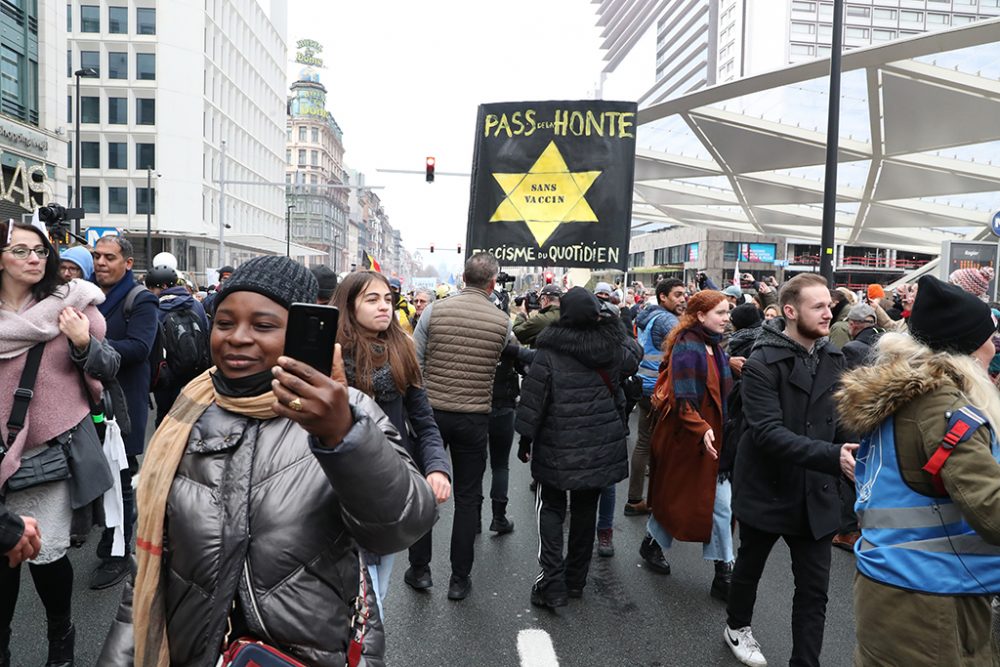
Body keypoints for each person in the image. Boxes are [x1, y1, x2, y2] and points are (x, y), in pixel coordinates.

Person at [98, 255, 436, 666]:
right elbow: (144, 577)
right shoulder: (186, 415)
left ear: (297, 335)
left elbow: (401, 525)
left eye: (263, 325)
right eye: (224, 323)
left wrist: (342, 434)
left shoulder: (344, 410)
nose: (238, 337)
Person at [836, 275, 1000, 666]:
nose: (995, 346)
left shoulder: (903, 394)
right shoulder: (945, 408)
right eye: (990, 337)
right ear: (968, 348)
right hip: (931, 601)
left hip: (894, 589)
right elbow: (992, 509)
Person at [724, 273, 859, 667]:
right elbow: (767, 433)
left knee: (815, 590)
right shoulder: (761, 363)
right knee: (749, 568)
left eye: (829, 304)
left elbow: (843, 422)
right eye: (818, 305)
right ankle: (737, 626)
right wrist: (833, 457)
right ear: (789, 311)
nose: (828, 311)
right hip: (768, 485)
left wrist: (859, 452)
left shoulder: (835, 357)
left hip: (815, 491)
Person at [0, 221, 119, 667]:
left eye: (40, 250)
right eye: (20, 250)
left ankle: (61, 640)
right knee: (3, 558)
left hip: (48, 456)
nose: (34, 258)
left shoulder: (70, 306)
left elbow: (109, 368)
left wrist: (84, 341)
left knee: (46, 555)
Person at [329, 270, 451, 617]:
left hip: (389, 487)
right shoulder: (328, 353)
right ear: (349, 306)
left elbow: (424, 421)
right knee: (356, 599)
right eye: (372, 299)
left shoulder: (403, 349)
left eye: (387, 299)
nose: (384, 307)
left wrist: (437, 468)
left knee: (377, 591)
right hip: (334, 488)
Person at [515, 288, 641, 608]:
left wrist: (526, 439)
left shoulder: (549, 349)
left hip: (557, 445)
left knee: (552, 509)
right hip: (599, 445)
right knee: (586, 512)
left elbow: (533, 400)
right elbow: (634, 353)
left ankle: (552, 583)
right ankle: (575, 581)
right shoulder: (611, 348)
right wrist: (616, 323)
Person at [412, 252, 511, 600]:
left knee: (426, 491)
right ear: (492, 283)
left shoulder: (433, 311)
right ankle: (459, 579)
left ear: (462, 277)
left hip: (431, 416)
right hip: (474, 416)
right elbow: (498, 361)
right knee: (468, 498)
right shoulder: (502, 322)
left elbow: (415, 362)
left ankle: (420, 570)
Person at [646, 290, 736, 601]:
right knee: (690, 499)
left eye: (727, 312)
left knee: (714, 503)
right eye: (720, 313)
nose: (727, 319)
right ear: (700, 316)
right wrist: (703, 429)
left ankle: (721, 571)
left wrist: (735, 364)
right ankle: (724, 573)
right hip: (690, 440)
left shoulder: (713, 346)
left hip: (711, 439)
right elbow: (683, 401)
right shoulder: (688, 346)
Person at [89, 235, 160, 590]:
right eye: (97, 256)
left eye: (109, 257)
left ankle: (118, 552)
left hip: (123, 404)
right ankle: (103, 535)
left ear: (128, 263)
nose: (101, 262)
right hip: (88, 402)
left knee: (120, 476)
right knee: (94, 470)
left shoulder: (141, 299)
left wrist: (87, 343)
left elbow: (139, 348)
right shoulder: (86, 295)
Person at [145, 265, 211, 425]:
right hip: (195, 372)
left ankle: (163, 448)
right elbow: (206, 332)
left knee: (165, 418)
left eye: (152, 288)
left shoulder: (155, 308)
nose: (150, 292)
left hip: (167, 376)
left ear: (164, 287)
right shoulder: (196, 305)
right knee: (192, 416)